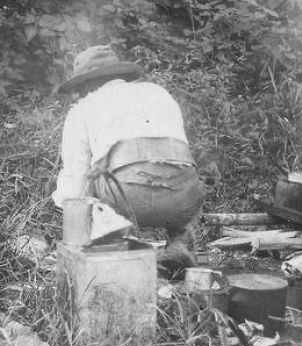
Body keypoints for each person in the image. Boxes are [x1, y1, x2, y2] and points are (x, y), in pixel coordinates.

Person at [52, 45, 206, 270]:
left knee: (87, 179)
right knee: (182, 171)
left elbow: (75, 179)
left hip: (127, 202)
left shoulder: (83, 108)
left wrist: (67, 209)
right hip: (184, 199)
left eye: (81, 88)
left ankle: (112, 247)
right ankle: (179, 243)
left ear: (88, 83)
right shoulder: (158, 93)